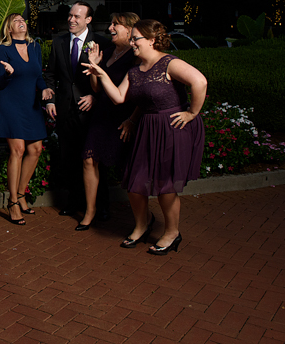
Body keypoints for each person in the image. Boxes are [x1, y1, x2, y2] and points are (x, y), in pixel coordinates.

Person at [83, 19, 207, 255]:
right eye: (131, 39)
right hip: (147, 129)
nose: (132, 43)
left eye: (135, 39)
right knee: (135, 183)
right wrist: (100, 72)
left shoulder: (169, 63)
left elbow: (199, 81)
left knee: (166, 188)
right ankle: (141, 225)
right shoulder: (135, 71)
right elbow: (119, 97)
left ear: (151, 40)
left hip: (171, 128)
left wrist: (192, 112)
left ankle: (172, 233)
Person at [44, 1, 112, 217]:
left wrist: (94, 96)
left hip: (90, 112)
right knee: (69, 158)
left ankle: (101, 206)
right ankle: (74, 203)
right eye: (70, 16)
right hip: (65, 110)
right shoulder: (58, 42)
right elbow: (50, 75)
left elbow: (109, 79)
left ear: (88, 20)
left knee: (94, 159)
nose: (71, 20)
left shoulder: (101, 43)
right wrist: (50, 99)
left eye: (77, 17)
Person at [74, 12, 141, 231]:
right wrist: (93, 66)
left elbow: (144, 93)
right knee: (88, 159)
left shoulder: (136, 56)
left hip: (124, 117)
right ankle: (90, 211)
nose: (110, 28)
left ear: (130, 30)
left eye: (116, 25)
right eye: (111, 24)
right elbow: (96, 87)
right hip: (102, 114)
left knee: (127, 169)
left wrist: (132, 120)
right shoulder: (109, 52)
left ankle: (141, 220)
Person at [0, 14, 51, 225]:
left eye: (23, 19)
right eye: (16, 20)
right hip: (10, 103)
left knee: (35, 149)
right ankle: (12, 202)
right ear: (10, 28)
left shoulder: (34, 47)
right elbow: (1, 78)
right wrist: (8, 72)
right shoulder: (4, 49)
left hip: (31, 104)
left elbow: (38, 75)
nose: (22, 22)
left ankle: (20, 194)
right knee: (17, 150)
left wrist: (45, 89)